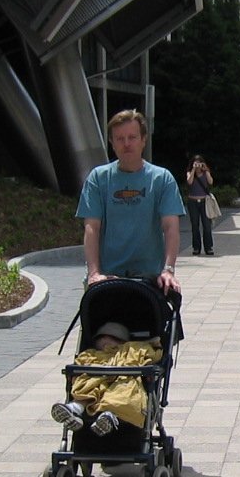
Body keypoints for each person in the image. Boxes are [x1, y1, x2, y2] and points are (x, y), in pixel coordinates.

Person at [76, 110, 183, 295]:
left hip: (149, 278)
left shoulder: (162, 179)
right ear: (112, 142)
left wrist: (168, 270)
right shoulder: (98, 178)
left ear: (143, 139)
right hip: (108, 277)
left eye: (132, 137)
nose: (126, 144)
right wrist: (94, 273)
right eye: (120, 138)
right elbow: (92, 227)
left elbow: (170, 227)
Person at [50, 321, 161, 434]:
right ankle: (75, 409)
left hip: (123, 379)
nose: (104, 341)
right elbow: (80, 361)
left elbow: (151, 354)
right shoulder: (91, 354)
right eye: (101, 338)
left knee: (123, 392)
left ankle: (109, 415)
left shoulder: (130, 350)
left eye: (110, 338)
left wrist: (149, 346)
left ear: (122, 341)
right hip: (96, 380)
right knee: (88, 384)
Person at [185, 155, 216, 257]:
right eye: (196, 163)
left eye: (199, 163)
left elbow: (211, 181)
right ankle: (196, 247)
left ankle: (209, 247)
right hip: (192, 202)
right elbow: (189, 181)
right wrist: (193, 169)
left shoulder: (205, 172)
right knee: (195, 226)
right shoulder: (190, 173)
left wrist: (206, 170)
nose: (198, 166)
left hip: (204, 202)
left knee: (207, 225)